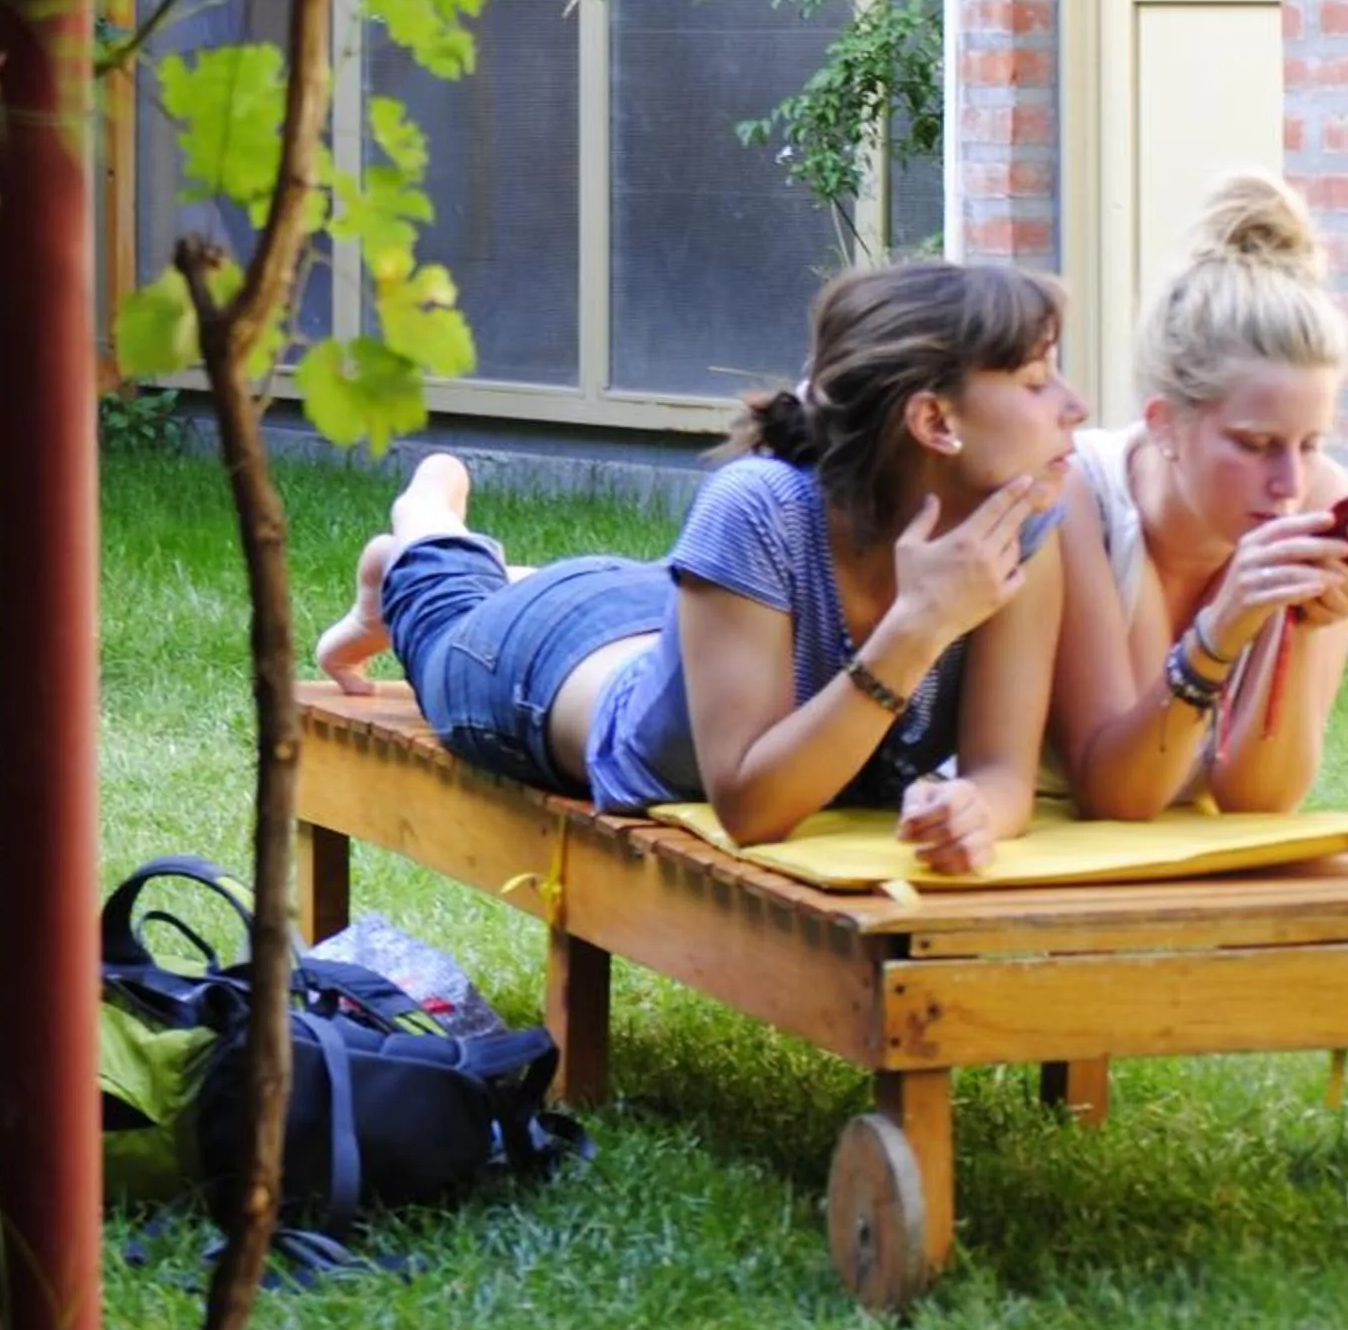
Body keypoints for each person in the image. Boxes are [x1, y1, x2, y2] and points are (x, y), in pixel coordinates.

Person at [314, 260, 1086, 875]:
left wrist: (975, 811)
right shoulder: (758, 508)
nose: (1075, 406)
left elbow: (1002, 774)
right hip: (541, 667)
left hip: (679, 619)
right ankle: (423, 534)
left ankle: (495, 568)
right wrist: (919, 629)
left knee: (657, 605)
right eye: (1035, 382)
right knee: (446, 609)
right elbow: (752, 808)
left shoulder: (1020, 530)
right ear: (934, 420)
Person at [1048, 175, 1348, 819]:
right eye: (1255, 444)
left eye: (1310, 443)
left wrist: (1302, 626)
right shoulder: (1078, 495)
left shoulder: (1319, 496)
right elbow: (1121, 795)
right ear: (1165, 424)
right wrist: (1221, 630)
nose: (1290, 482)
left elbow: (1259, 799)